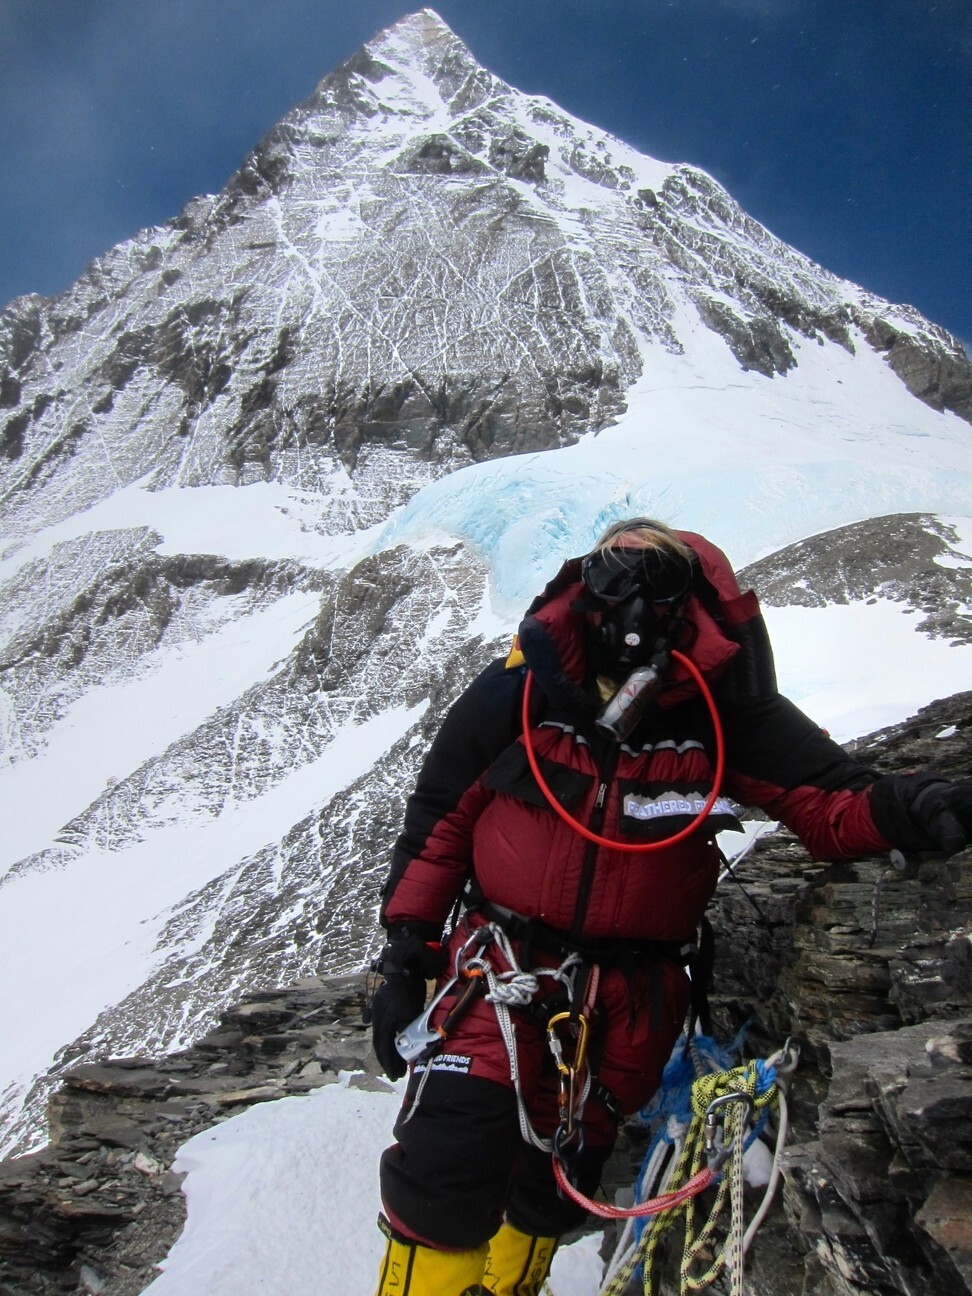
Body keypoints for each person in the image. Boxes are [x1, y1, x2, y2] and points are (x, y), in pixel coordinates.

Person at [367, 518, 972, 1296]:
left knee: (554, 1187)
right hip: (501, 975)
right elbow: (441, 821)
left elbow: (831, 801)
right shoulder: (518, 695)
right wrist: (406, 953)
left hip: (625, 1007)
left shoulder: (726, 717)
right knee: (444, 1167)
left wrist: (909, 808)